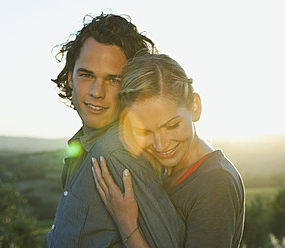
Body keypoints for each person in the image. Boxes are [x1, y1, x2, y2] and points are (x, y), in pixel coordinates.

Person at [47, 13, 185, 248]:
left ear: (130, 87)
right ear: (70, 77)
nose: (96, 92)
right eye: (86, 75)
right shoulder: (85, 146)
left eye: (113, 80)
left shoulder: (117, 154)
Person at [92, 54, 245, 247]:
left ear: (195, 107)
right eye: (144, 131)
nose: (160, 145)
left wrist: (127, 224)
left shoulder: (216, 183)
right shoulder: (161, 167)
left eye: (172, 126)